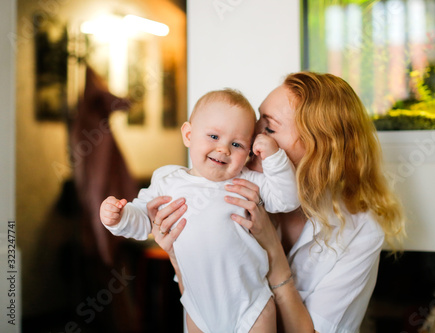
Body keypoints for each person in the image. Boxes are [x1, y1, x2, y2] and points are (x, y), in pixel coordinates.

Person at [148, 72, 406, 332]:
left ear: (319, 149)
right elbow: (205, 303)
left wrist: (272, 251)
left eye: (269, 128)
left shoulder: (360, 230)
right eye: (258, 121)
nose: (249, 137)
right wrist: (178, 257)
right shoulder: (225, 188)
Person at [99, 89, 300, 333]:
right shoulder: (168, 180)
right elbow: (143, 218)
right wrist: (119, 217)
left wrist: (274, 157)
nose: (224, 149)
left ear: (248, 152)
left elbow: (287, 199)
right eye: (214, 136)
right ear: (189, 134)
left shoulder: (249, 181)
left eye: (237, 144)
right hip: (198, 307)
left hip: (250, 304)